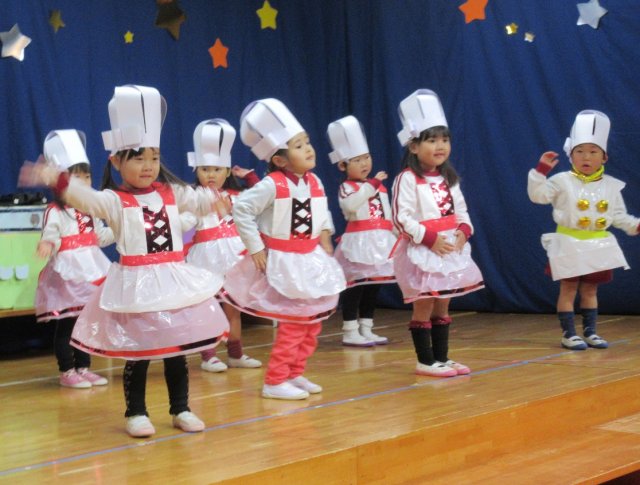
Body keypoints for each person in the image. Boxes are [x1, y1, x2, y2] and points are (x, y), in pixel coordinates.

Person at [19, 85, 229, 438]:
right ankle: (136, 412)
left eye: (154, 157)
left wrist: (216, 201)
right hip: (137, 285)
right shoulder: (113, 201)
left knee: (177, 350)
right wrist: (54, 178)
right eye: (137, 157)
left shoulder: (172, 193)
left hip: (174, 280)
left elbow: (198, 199)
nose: (148, 166)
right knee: (140, 352)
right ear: (116, 162)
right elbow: (82, 196)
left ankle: (181, 408)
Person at [221, 98, 346, 400]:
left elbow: (323, 210)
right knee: (293, 324)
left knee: (312, 324)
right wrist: (255, 248)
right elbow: (242, 211)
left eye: (307, 142)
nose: (309, 148)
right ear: (279, 159)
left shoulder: (314, 181)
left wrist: (326, 234)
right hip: (284, 262)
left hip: (310, 258)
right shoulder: (271, 184)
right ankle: (275, 380)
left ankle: (295, 373)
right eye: (299, 145)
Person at [528, 110, 640, 350]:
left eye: (593, 152)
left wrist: (635, 225)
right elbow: (538, 196)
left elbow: (618, 216)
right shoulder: (561, 181)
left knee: (590, 289)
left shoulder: (611, 186)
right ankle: (569, 333)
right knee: (568, 288)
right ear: (571, 156)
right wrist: (540, 172)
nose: (586, 157)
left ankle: (590, 331)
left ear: (604, 157)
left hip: (598, 245)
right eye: (580, 151)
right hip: (569, 243)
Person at [391, 89, 484, 377]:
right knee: (424, 305)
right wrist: (430, 239)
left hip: (450, 250)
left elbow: (462, 212)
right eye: (432, 140)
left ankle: (442, 357)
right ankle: (425, 361)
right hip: (423, 252)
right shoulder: (407, 179)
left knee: (443, 305)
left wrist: (463, 233)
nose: (440, 145)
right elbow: (401, 218)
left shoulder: (448, 178)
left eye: (444, 139)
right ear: (414, 147)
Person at [182, 118, 262, 372]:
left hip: (234, 256)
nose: (211, 174)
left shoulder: (237, 197)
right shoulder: (192, 198)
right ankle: (208, 355)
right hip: (206, 257)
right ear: (196, 171)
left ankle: (235, 353)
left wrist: (250, 177)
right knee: (208, 306)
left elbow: (264, 200)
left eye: (217, 169)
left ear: (227, 171)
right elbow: (184, 224)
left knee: (233, 308)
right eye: (204, 169)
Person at [35, 130, 113, 389]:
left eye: (86, 175)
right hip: (68, 270)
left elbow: (99, 236)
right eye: (75, 176)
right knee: (68, 322)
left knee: (86, 320)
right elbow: (52, 233)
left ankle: (84, 366)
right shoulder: (56, 210)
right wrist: (48, 243)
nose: (83, 181)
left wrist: (123, 229)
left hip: (91, 267)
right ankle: (67, 370)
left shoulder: (91, 208)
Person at [327, 115, 396, 347]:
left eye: (366, 157)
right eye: (357, 160)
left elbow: (387, 214)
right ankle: (349, 329)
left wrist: (395, 233)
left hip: (380, 241)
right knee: (357, 286)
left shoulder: (379, 187)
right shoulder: (348, 187)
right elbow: (349, 206)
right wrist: (371, 185)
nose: (364, 163)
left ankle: (367, 327)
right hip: (359, 241)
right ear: (343, 165)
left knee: (374, 285)